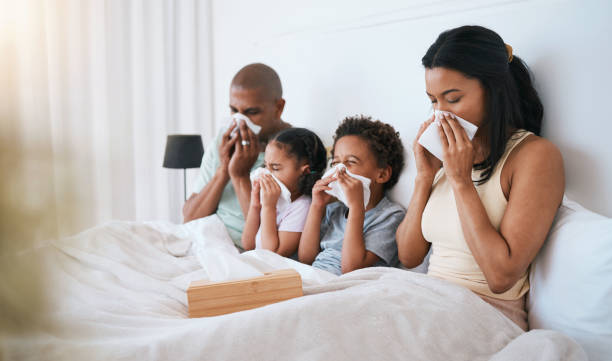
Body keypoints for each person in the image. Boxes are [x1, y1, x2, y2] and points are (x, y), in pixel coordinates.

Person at [396, 25, 565, 331]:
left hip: (484, 316)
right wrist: (424, 177)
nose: (440, 115)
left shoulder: (535, 155)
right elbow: (408, 256)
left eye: (453, 98)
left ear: (494, 90)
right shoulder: (449, 154)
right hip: (428, 301)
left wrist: (461, 180)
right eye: (433, 101)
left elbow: (500, 277)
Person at [183, 63, 290, 249]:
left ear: (278, 107)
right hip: (207, 241)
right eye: (234, 110)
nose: (240, 121)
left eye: (251, 112)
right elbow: (189, 218)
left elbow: (264, 240)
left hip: (247, 249)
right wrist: (224, 170)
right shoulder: (223, 141)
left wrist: (240, 176)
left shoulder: (292, 151)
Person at [299, 115, 406, 275]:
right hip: (315, 276)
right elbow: (306, 258)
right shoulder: (335, 209)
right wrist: (317, 206)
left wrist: (357, 207)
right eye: (335, 163)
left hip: (346, 286)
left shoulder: (390, 216)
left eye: (351, 162)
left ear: (382, 174)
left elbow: (352, 270)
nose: (340, 170)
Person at [241, 128, 327, 258]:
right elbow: (248, 245)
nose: (267, 173)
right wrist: (255, 205)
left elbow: (272, 256)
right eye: (265, 166)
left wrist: (269, 207)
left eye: (275, 168)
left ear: (304, 171)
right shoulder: (276, 200)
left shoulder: (303, 206)